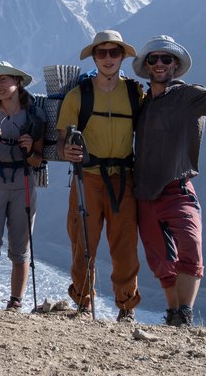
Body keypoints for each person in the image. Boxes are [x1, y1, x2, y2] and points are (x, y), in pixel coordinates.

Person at [132, 35, 206, 326]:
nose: (159, 64)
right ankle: (174, 314)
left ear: (176, 65)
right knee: (159, 259)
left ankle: (185, 312)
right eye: (154, 59)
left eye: (166, 59)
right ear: (146, 65)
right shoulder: (142, 103)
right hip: (144, 192)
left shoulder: (188, 96)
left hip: (178, 188)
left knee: (191, 248)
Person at [56, 30, 143, 322]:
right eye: (102, 53)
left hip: (123, 177)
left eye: (113, 53)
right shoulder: (77, 96)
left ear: (122, 57)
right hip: (87, 177)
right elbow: (61, 137)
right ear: (94, 56)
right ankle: (83, 304)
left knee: (125, 245)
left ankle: (126, 308)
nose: (108, 58)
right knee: (83, 242)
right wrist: (65, 150)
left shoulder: (135, 93)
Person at [0, 61, 46, 310]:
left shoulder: (35, 114)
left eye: (2, 80)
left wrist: (28, 150)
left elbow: (37, 159)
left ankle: (15, 302)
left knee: (20, 247)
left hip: (21, 182)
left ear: (17, 80)